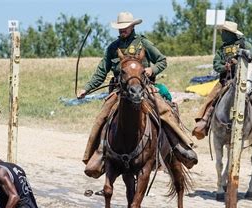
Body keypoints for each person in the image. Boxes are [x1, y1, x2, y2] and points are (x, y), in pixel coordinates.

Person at [78, 12, 197, 178]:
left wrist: (151, 69)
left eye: (125, 28)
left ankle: (181, 146)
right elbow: (100, 72)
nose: (122, 31)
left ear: (132, 26)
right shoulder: (113, 48)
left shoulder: (143, 43)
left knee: (164, 110)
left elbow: (162, 60)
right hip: (120, 91)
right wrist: (87, 89)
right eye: (120, 28)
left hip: (144, 88)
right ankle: (96, 154)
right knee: (102, 116)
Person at [191, 21, 252, 140]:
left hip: (246, 76)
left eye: (224, 32)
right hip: (227, 79)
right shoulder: (221, 49)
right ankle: (204, 121)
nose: (222, 34)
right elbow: (216, 64)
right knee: (212, 97)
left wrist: (239, 60)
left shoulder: (244, 43)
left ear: (230, 33)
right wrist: (225, 67)